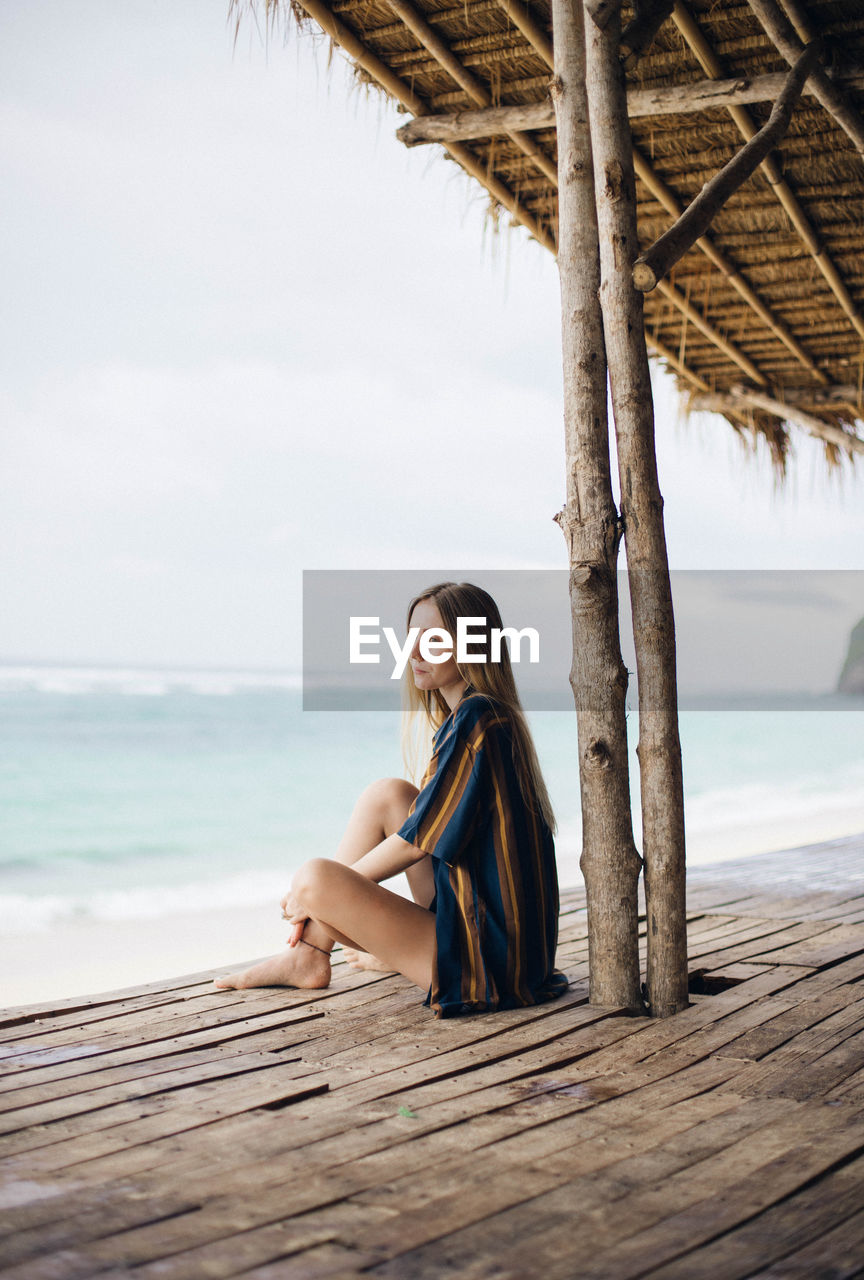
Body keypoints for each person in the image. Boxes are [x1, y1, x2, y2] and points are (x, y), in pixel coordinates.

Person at [215, 582, 568, 1017]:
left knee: (314, 878)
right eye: (411, 639)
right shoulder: (478, 715)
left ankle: (309, 951)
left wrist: (318, 898)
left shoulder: (479, 719)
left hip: (490, 970)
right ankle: (310, 953)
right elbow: (430, 831)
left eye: (433, 639)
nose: (414, 652)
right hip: (501, 949)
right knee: (389, 795)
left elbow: (415, 842)